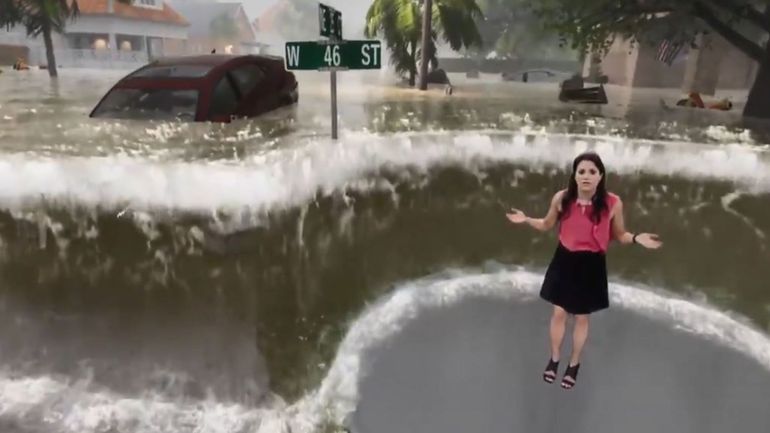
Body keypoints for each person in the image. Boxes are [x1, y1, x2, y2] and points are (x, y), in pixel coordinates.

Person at [505, 151, 662, 390]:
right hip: (564, 260)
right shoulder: (562, 199)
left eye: (592, 172)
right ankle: (555, 358)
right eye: (581, 171)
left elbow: (619, 235)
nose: (586, 176)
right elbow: (546, 225)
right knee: (558, 313)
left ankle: (574, 363)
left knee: (581, 317)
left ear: (600, 176)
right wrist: (525, 219)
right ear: (574, 175)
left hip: (592, 264)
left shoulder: (613, 203)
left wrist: (638, 238)